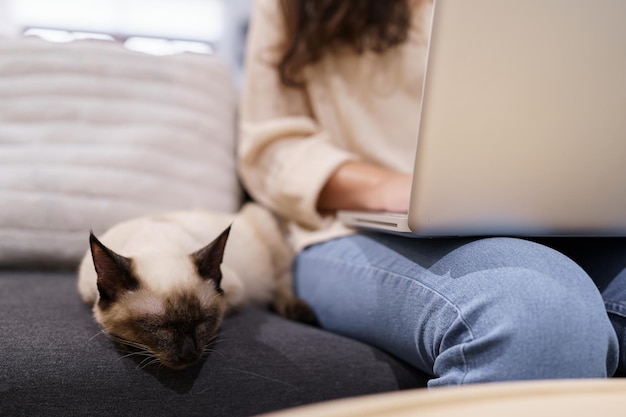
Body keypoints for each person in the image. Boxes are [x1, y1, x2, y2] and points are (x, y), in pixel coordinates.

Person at [238, 0, 626, 386]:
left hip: (560, 221)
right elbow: (271, 149)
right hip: (351, 228)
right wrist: (390, 187)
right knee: (537, 312)